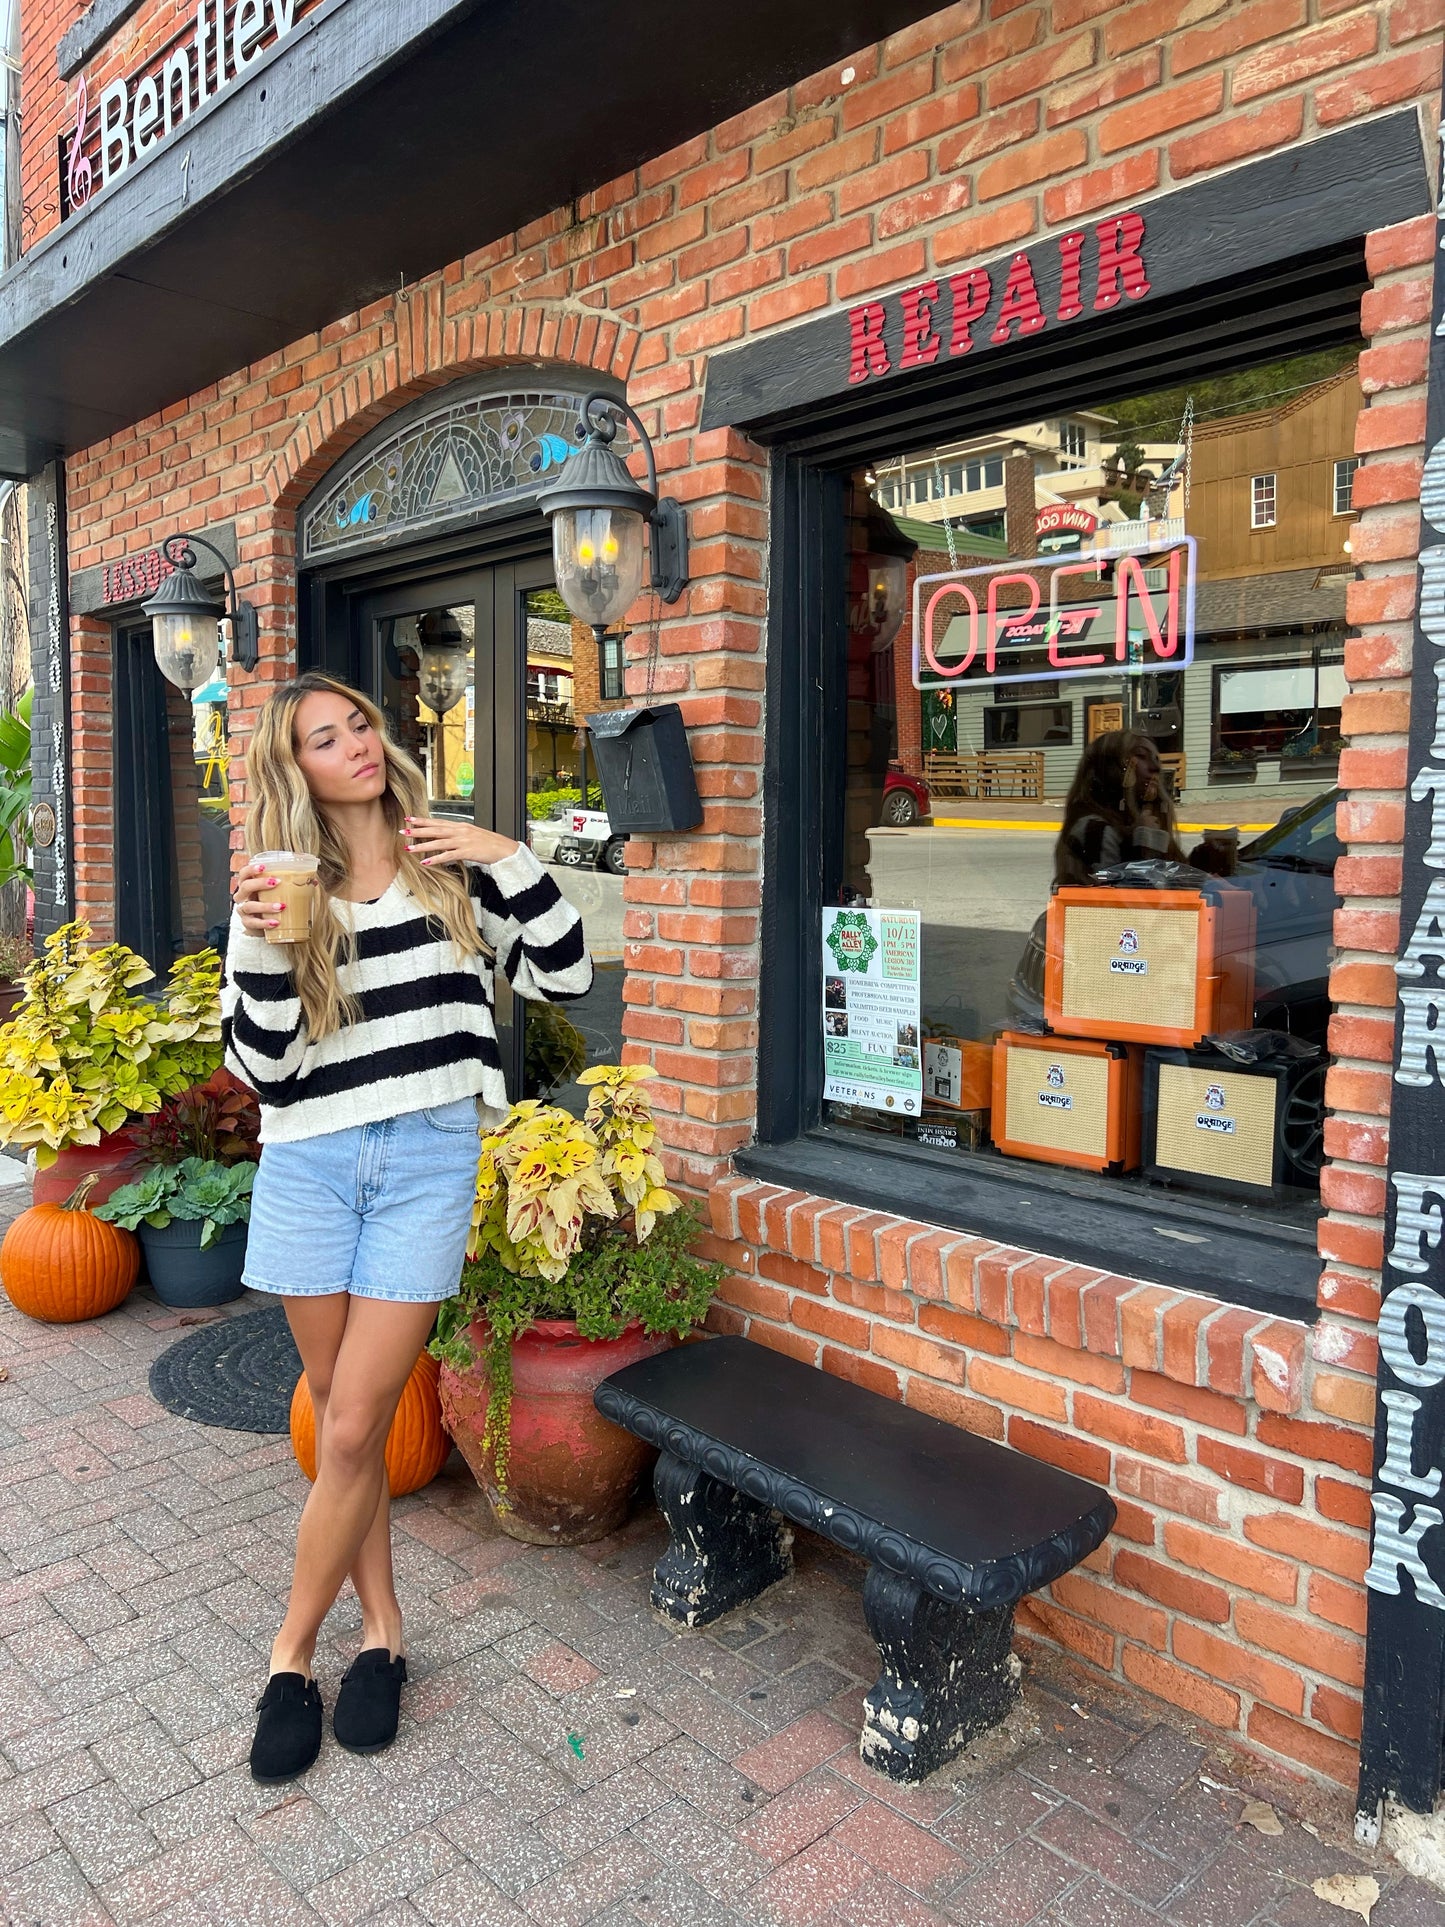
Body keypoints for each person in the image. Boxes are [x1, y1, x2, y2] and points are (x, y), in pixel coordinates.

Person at [221, 671, 590, 1784]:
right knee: (346, 1419)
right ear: (297, 771)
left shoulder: (446, 866)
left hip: (426, 1157)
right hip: (312, 1164)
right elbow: (263, 1065)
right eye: (325, 740)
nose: (355, 747)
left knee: (349, 1431)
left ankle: (288, 1655)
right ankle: (381, 1633)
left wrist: (506, 857)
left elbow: (567, 977)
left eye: (360, 725)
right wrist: (263, 944)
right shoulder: (280, 888)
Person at [1054, 729, 1186, 887]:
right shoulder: (1096, 830)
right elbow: (1122, 901)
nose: (1155, 767)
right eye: (1141, 756)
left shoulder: (1130, 824)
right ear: (1111, 770)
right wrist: (1146, 842)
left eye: (1156, 759)